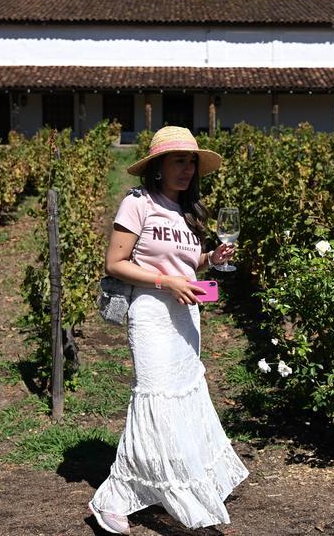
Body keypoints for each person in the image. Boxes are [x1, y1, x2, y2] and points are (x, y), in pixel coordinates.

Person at [88, 126, 249, 534]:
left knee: (183, 398)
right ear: (157, 166)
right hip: (152, 315)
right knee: (156, 399)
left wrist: (211, 258)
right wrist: (165, 282)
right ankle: (112, 500)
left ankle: (174, 483)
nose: (187, 169)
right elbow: (116, 263)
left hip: (186, 316)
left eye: (191, 161)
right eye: (179, 160)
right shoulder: (137, 203)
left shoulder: (188, 213)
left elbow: (187, 264)